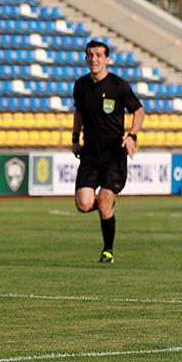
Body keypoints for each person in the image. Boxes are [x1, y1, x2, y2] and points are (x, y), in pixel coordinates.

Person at [72, 39, 144, 264]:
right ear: (86, 58)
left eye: (99, 55)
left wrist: (131, 135)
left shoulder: (118, 86)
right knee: (83, 204)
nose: (94, 59)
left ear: (107, 59)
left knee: (103, 200)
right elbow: (79, 114)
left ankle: (108, 250)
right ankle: (107, 204)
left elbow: (139, 111)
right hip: (90, 153)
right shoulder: (81, 85)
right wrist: (75, 138)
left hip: (114, 152)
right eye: (90, 55)